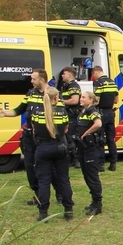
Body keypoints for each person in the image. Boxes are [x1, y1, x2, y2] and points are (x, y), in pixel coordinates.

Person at [0, 69, 46, 205]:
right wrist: (5, 113)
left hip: (44, 137)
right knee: (30, 166)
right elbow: (19, 109)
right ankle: (36, 195)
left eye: (33, 79)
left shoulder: (52, 93)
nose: (31, 81)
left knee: (47, 167)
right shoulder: (30, 93)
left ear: (41, 79)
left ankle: (58, 194)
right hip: (29, 136)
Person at [31, 86, 74, 221]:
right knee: (63, 179)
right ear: (56, 97)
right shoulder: (62, 112)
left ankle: (43, 212)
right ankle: (68, 210)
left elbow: (34, 130)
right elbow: (66, 129)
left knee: (44, 181)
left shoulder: (37, 112)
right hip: (60, 147)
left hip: (43, 147)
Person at [74, 90, 104, 216]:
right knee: (86, 176)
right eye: (81, 97)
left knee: (92, 177)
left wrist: (86, 133)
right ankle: (93, 201)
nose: (81, 99)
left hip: (91, 149)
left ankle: (98, 204)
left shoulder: (92, 111)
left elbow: (98, 123)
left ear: (91, 100)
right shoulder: (84, 111)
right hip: (83, 148)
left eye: (84, 97)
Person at [91, 65, 118, 171]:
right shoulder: (113, 82)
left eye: (93, 75)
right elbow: (116, 100)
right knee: (111, 139)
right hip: (110, 113)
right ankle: (113, 163)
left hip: (101, 112)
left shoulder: (98, 83)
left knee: (100, 138)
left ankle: (100, 164)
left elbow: (96, 100)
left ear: (96, 72)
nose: (93, 77)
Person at [58, 67, 82, 168]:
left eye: (64, 74)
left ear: (69, 75)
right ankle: (71, 159)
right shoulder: (66, 86)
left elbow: (74, 100)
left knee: (72, 138)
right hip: (67, 115)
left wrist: (61, 102)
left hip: (72, 115)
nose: (62, 76)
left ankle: (77, 160)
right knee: (67, 138)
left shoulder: (73, 86)